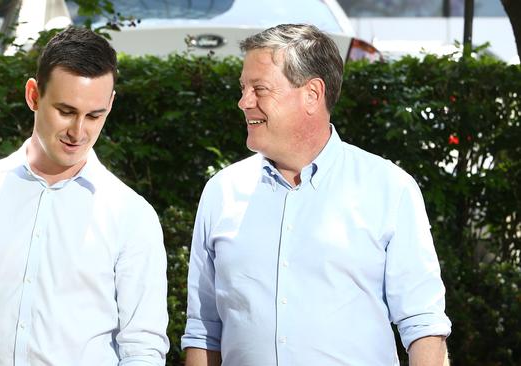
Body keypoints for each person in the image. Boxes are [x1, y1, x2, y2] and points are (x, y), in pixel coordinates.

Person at [181, 24, 451, 366]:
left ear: (312, 94)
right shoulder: (221, 192)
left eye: (259, 89)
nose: (243, 102)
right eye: (243, 88)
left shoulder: (389, 189)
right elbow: (204, 329)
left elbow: (423, 324)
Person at [0, 26, 169, 365]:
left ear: (111, 104)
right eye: (66, 111)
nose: (79, 132)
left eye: (94, 115)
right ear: (33, 95)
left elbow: (142, 349)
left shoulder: (132, 215)